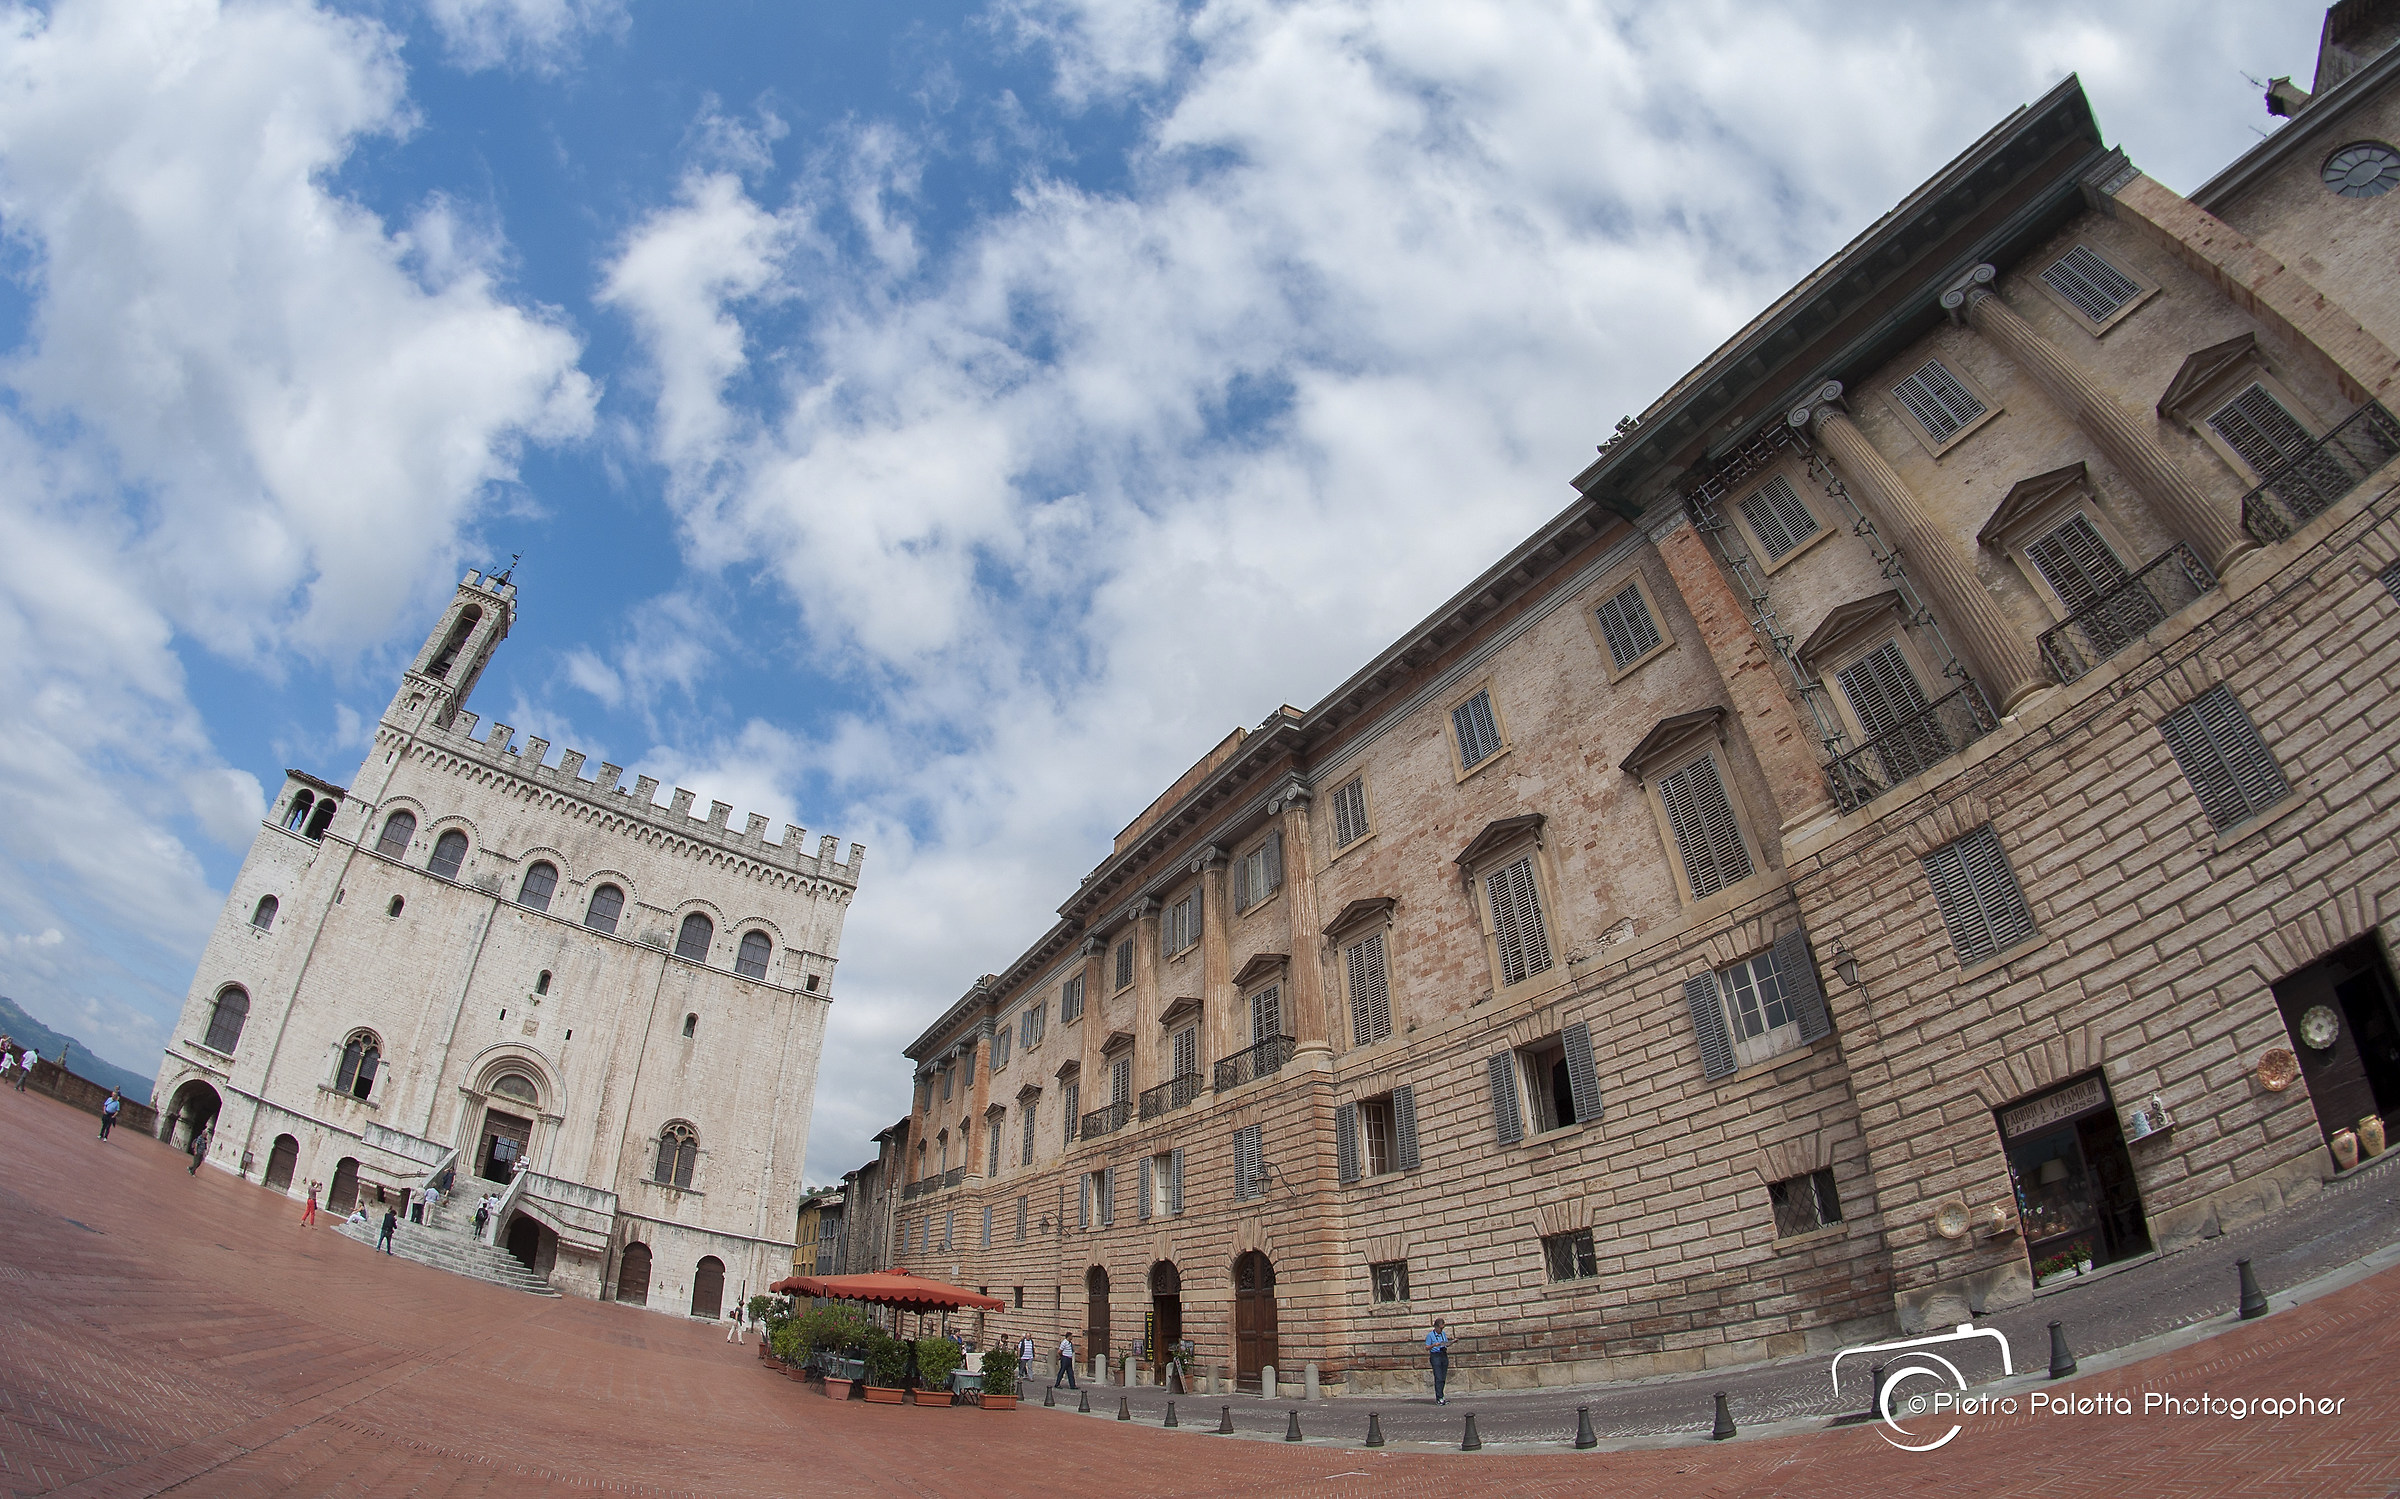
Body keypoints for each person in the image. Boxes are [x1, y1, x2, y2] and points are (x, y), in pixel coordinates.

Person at [1426, 1317, 1452, 1405]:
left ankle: (1442, 1396)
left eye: (1443, 1328)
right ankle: (1438, 1397)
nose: (1441, 1330)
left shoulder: (1443, 1334)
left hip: (1443, 1354)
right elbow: (1426, 1347)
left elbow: (1446, 1343)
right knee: (1438, 1377)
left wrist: (1452, 1342)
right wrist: (1434, 1345)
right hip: (1435, 1356)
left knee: (1443, 1377)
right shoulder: (1430, 1335)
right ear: (1436, 1327)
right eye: (1440, 1328)